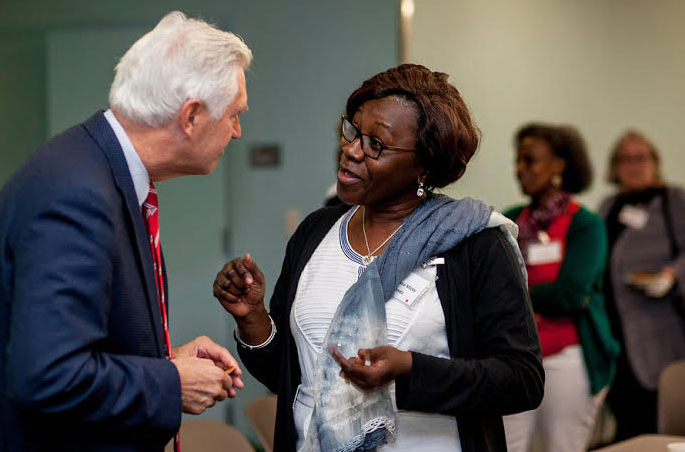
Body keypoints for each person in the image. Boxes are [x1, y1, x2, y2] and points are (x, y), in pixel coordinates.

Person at [0, 11, 251, 452]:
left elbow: (80, 341)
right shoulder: (78, 194)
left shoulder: (96, 168)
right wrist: (170, 382)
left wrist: (167, 361)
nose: (237, 131)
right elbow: (51, 376)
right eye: (234, 114)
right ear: (191, 116)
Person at [214, 64, 544, 452]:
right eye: (352, 130)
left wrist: (409, 371)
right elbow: (291, 375)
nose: (351, 150)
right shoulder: (315, 233)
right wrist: (253, 320)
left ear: (424, 165)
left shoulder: (475, 243)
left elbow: (522, 380)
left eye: (376, 144)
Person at [501, 123, 619, 452]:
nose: (520, 169)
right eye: (518, 161)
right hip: (515, 355)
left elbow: (569, 296)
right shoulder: (509, 221)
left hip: (567, 356)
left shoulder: (585, 224)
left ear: (558, 166)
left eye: (530, 160)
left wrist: (511, 298)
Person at [599, 130, 685, 441]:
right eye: (625, 159)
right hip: (615, 336)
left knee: (660, 422)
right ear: (614, 167)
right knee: (626, 424)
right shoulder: (609, 207)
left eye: (641, 157)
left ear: (655, 162)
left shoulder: (672, 200)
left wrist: (671, 275)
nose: (633, 165)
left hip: (660, 331)